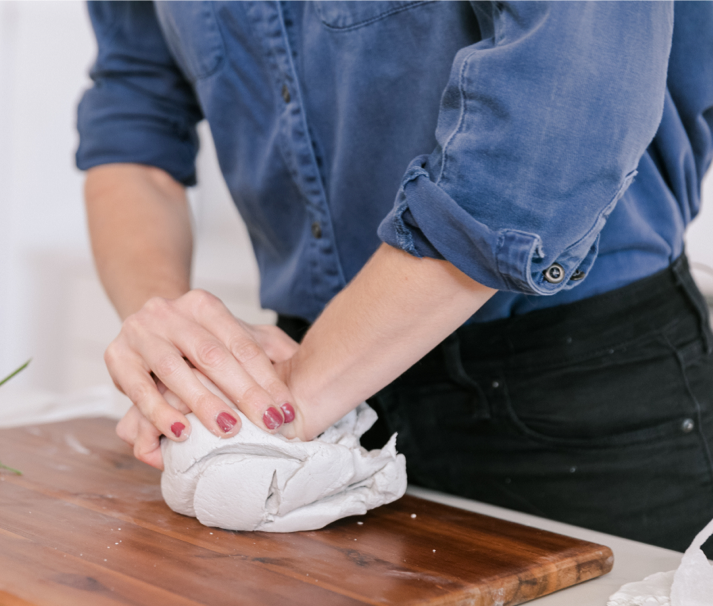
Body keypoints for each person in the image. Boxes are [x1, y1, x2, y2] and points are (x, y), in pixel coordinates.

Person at [75, 0, 713, 554]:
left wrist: (286, 403)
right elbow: (135, 110)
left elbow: (564, 106)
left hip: (582, 388)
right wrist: (177, 354)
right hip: (311, 392)